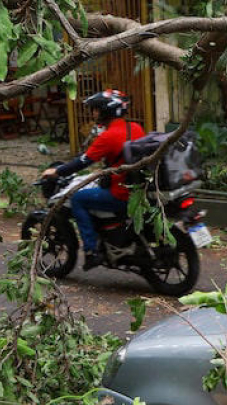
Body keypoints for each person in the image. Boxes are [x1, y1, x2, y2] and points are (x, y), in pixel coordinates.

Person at [41, 89, 145, 270]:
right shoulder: (135, 128)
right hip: (138, 190)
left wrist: (57, 172)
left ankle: (91, 251)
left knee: (78, 199)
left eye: (96, 109)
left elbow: (82, 162)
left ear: (107, 111)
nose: (93, 113)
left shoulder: (108, 136)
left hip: (121, 194)